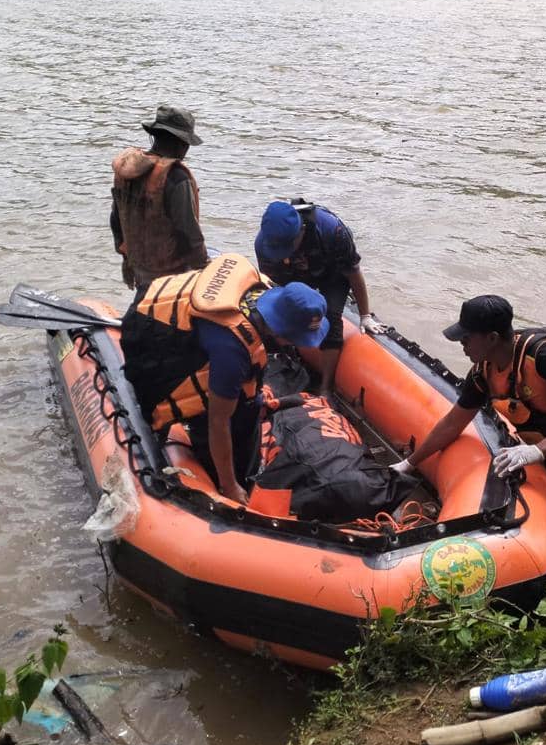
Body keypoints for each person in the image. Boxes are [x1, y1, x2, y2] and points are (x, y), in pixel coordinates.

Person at [391, 295, 546, 563]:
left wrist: (539, 450)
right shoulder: (483, 372)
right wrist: (409, 463)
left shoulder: (542, 355)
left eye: (466, 339)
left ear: (492, 338)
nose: (462, 346)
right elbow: (453, 423)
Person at [120, 252, 329, 505]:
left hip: (186, 323)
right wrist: (230, 485)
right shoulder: (231, 351)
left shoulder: (260, 291)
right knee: (230, 421)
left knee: (248, 407)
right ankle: (221, 479)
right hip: (159, 345)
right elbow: (218, 422)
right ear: (279, 329)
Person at [254, 199, 387, 397]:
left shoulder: (331, 230)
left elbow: (353, 272)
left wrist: (365, 315)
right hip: (292, 277)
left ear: (301, 231)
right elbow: (273, 285)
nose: (284, 257)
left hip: (331, 274)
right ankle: (284, 366)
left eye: (287, 249)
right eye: (279, 251)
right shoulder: (265, 245)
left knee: (332, 319)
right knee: (281, 317)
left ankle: (325, 388)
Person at [111, 104, 209, 291]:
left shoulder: (126, 171)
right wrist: (203, 268)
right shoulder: (175, 177)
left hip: (140, 268)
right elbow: (188, 232)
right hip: (171, 276)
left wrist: (126, 260)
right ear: (181, 143)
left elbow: (116, 220)